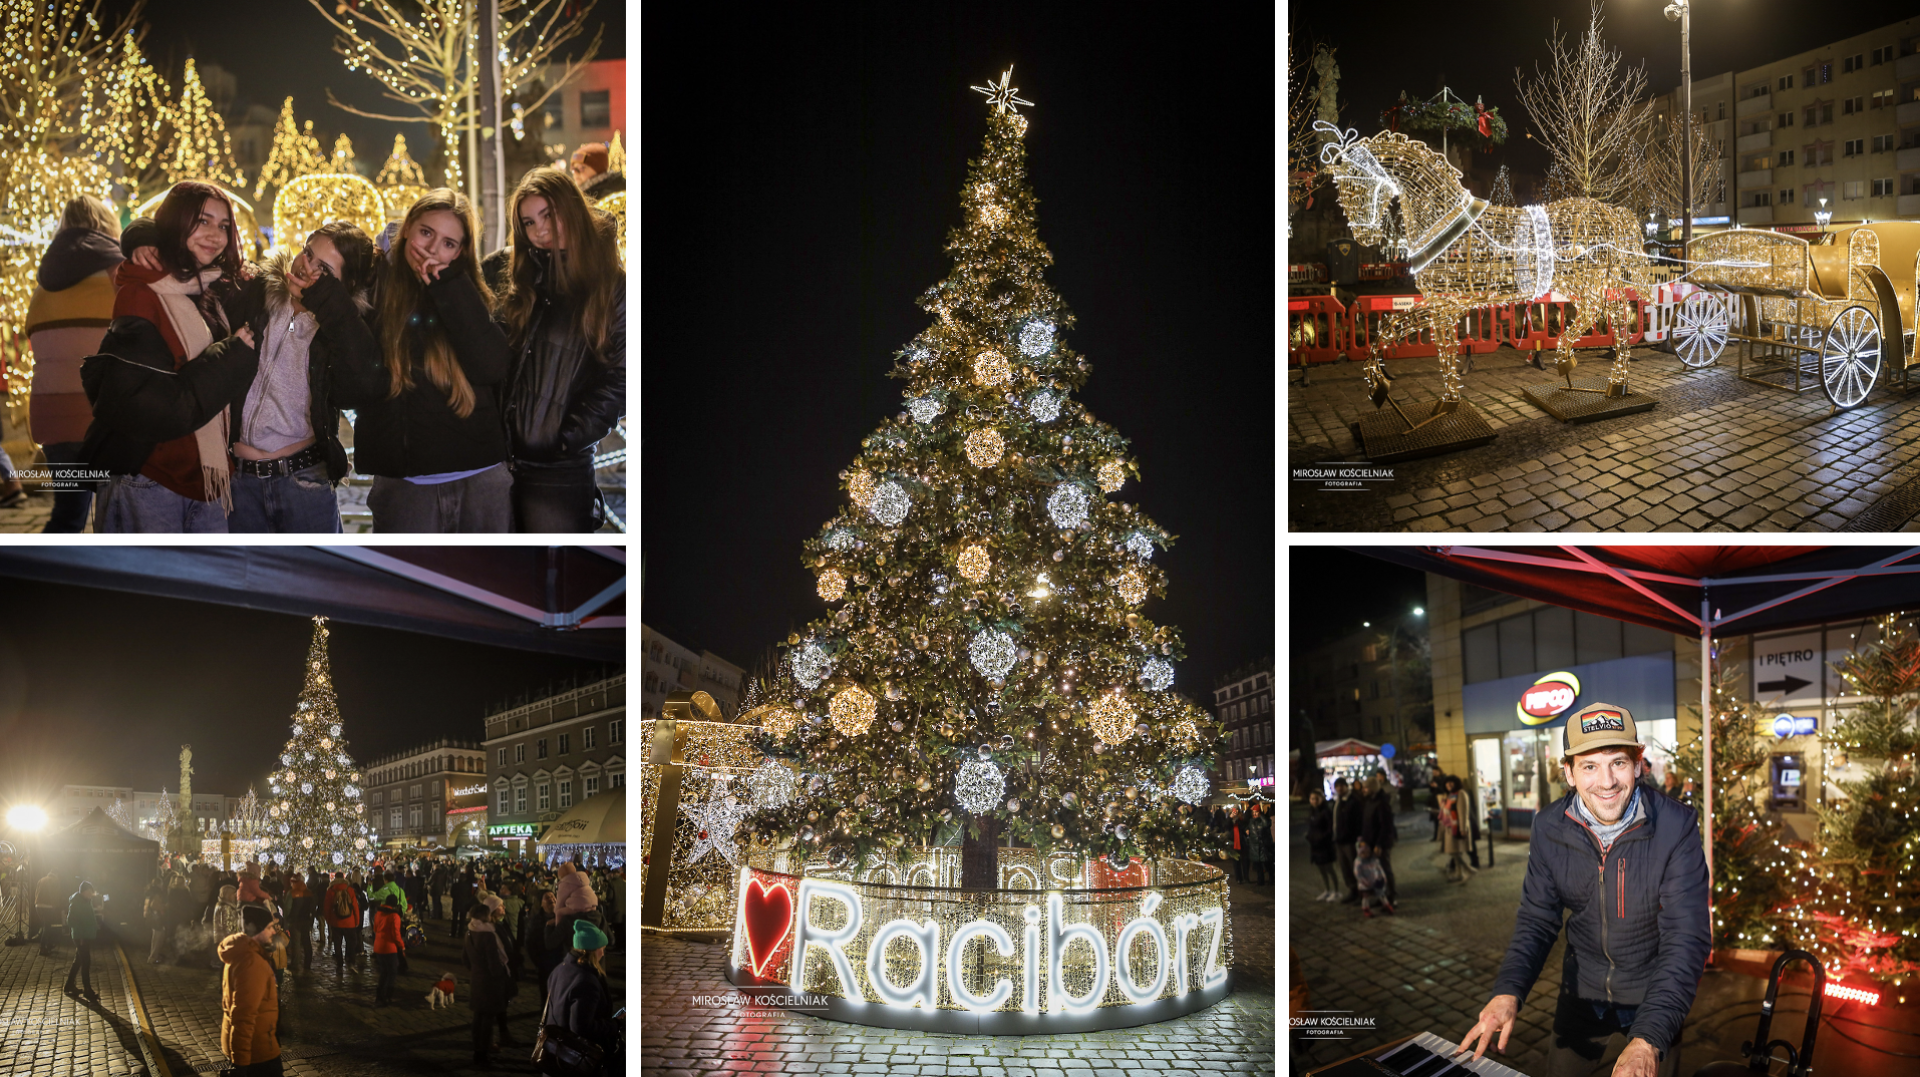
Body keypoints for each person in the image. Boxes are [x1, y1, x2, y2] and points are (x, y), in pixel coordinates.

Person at [1456, 703, 1710, 1077]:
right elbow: (1537, 920)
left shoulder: (1677, 827)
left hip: (1654, 995)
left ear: (1638, 764)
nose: (1606, 782)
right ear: (1569, 773)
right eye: (1590, 766)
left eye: (1618, 762)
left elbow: (1686, 938)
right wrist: (1508, 990)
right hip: (1581, 991)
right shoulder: (1548, 827)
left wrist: (1648, 1039)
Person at [80, 181, 264, 532]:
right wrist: (231, 359)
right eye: (202, 221)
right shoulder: (142, 292)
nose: (216, 235)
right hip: (151, 478)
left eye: (224, 225)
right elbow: (152, 407)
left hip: (205, 479)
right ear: (177, 223)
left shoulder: (206, 287)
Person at [332, 189, 512, 532]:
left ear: (461, 252)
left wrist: (449, 287)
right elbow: (356, 384)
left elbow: (491, 366)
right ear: (408, 228)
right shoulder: (374, 287)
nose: (432, 249)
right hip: (406, 486)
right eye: (426, 233)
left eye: (448, 243)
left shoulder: (468, 288)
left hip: (481, 478)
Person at [497, 168, 626, 532]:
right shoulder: (520, 279)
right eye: (528, 222)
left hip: (558, 471)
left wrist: (564, 438)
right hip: (499, 464)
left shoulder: (611, 286)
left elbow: (622, 378)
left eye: (548, 215)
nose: (540, 230)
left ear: (570, 209)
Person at [27, 195, 125, 530]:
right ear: (104, 224)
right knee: (114, 518)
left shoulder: (44, 282)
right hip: (102, 416)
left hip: (51, 416)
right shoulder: (118, 272)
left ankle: (44, 576)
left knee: (68, 513)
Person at [545, 919, 620, 1074]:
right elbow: (582, 1027)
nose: (603, 953)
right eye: (602, 948)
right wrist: (615, 1025)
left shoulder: (560, 970)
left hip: (557, 1054)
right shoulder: (586, 981)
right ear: (592, 950)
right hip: (576, 1061)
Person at [219, 904, 283, 1077]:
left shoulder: (241, 953)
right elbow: (243, 1016)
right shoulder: (251, 963)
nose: (273, 932)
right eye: (269, 928)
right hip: (258, 1052)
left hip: (255, 1048)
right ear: (256, 930)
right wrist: (240, 1064)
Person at [465, 904, 518, 1066]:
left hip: (477, 979)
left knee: (478, 1016)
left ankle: (477, 1050)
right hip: (489, 982)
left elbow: (464, 958)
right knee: (487, 1018)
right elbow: (494, 963)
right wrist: (501, 976)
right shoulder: (487, 935)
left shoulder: (469, 931)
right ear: (484, 916)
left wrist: (476, 970)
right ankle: (483, 1054)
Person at [1360, 773, 1400, 905]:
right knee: (1375, 872)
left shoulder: (1382, 803)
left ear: (1372, 788)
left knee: (1384, 869)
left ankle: (1391, 896)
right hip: (1371, 842)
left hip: (1380, 843)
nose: (1363, 790)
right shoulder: (1369, 802)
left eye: (1366, 787)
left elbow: (1385, 826)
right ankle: (1381, 896)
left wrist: (1379, 844)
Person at [63, 881, 100, 1001]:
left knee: (78, 961)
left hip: (85, 936)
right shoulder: (76, 903)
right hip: (81, 937)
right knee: (86, 962)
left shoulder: (86, 901)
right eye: (90, 892)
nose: (91, 894)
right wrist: (83, 934)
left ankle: (69, 985)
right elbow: (71, 921)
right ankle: (87, 990)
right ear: (84, 891)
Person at [1332, 777, 1365, 904]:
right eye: (1337, 786)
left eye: (1341, 786)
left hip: (1350, 840)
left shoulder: (1353, 801)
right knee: (1345, 867)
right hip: (1339, 840)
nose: (1339, 788)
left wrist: (1358, 837)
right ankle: (1352, 890)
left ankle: (1362, 893)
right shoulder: (1338, 801)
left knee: (1355, 867)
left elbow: (1358, 821)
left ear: (1346, 786)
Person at [1439, 776, 1477, 884]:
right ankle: (1460, 873)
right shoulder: (1450, 795)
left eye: (1451, 783)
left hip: (1457, 828)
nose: (1449, 785)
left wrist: (1463, 829)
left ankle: (1468, 870)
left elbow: (1463, 813)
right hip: (1449, 828)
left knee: (1454, 852)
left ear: (1456, 783)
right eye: (1447, 784)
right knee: (1454, 852)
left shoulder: (1461, 794)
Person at [1305, 789, 1340, 901]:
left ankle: (1336, 891)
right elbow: (1311, 827)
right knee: (1321, 868)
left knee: (1329, 868)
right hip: (1315, 844)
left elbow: (1330, 828)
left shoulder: (1326, 811)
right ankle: (1327, 890)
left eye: (1316, 799)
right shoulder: (1312, 811)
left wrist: (1321, 837)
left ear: (1321, 799)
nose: (1314, 801)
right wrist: (1309, 836)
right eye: (1312, 799)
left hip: (1325, 844)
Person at [371, 895, 405, 1005]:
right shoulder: (395, 916)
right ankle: (388, 996)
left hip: (378, 946)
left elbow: (375, 929)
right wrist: (402, 945)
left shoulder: (378, 913)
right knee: (392, 972)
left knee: (384, 971)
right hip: (390, 948)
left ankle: (379, 995)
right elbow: (396, 934)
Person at [324, 871, 362, 969]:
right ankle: (351, 960)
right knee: (351, 942)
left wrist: (328, 920)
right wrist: (357, 920)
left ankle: (339, 962)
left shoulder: (331, 890)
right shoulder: (349, 889)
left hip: (336, 922)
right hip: (350, 922)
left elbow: (327, 907)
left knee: (337, 943)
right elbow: (355, 906)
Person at [283, 871, 314, 973]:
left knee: (296, 943)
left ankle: (295, 963)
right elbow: (312, 906)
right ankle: (307, 963)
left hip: (295, 921)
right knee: (306, 942)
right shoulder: (308, 892)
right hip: (305, 920)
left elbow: (287, 908)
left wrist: (286, 918)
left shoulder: (291, 893)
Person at [208, 883, 244, 968]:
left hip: (222, 937)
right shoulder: (225, 907)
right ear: (228, 895)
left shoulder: (222, 904)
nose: (235, 896)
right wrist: (231, 937)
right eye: (233, 894)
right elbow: (226, 924)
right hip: (225, 937)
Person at [1353, 840, 1393, 918]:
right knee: (1366, 897)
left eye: (1367, 852)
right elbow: (1358, 874)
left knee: (1381, 894)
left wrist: (1383, 877)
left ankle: (1386, 905)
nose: (1366, 854)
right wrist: (1363, 881)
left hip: (1375, 881)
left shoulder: (1374, 860)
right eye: (1363, 853)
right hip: (1365, 884)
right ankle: (1366, 909)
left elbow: (1379, 869)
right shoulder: (1358, 862)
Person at [33, 867, 64, 955]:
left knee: (46, 925)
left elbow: (36, 892)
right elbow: (56, 894)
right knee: (47, 927)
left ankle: (49, 944)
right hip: (48, 906)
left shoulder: (42, 879)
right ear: (57, 874)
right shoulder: (55, 881)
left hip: (38, 905)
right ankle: (43, 947)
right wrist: (56, 905)